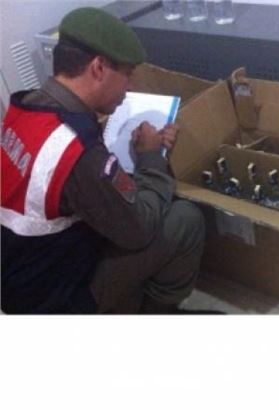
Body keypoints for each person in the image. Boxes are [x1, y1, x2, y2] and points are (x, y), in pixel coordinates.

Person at [1, 7, 209, 314]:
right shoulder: (78, 151)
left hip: (21, 277)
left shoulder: (26, 106)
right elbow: (139, 228)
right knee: (184, 219)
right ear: (98, 68)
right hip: (57, 299)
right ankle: (152, 312)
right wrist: (151, 156)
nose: (130, 86)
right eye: (128, 73)